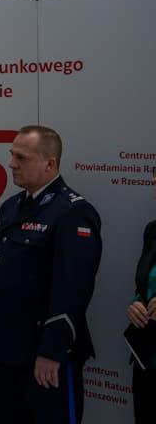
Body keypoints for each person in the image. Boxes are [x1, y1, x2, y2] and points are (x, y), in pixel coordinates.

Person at [0, 125, 102, 424]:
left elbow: (73, 289)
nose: (11, 164)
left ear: (49, 164)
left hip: (43, 356)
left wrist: (52, 352)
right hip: (3, 349)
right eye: (12, 155)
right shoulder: (10, 207)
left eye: (21, 157)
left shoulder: (72, 212)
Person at [127, 168, 156, 423]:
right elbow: (143, 287)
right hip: (147, 358)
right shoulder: (152, 230)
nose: (154, 179)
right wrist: (136, 304)